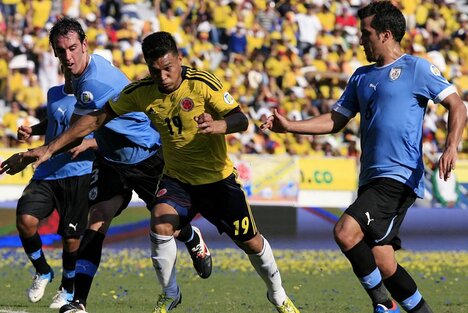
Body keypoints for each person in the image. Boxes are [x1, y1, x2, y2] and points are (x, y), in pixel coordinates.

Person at [14, 31, 300, 313]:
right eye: (155, 70)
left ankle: (277, 294)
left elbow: (241, 118)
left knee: (250, 241)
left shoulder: (198, 84)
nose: (162, 77)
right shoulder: (139, 91)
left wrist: (221, 125)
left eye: (168, 69)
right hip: (154, 172)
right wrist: (47, 144)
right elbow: (93, 118)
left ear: (179, 59)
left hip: (189, 172)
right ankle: (134, 297)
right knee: (138, 222)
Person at [261, 2, 467, 313]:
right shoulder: (361, 76)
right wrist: (290, 126)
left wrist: (451, 146)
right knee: (384, 262)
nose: (360, 39)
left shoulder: (417, 68)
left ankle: (383, 304)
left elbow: (457, 105)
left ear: (386, 34)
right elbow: (335, 120)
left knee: (345, 231)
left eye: (366, 33)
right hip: (371, 178)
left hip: (398, 177)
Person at [0, 18, 212, 313]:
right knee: (97, 218)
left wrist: (40, 151)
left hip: (145, 156)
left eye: (73, 48)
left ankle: (191, 236)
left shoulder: (95, 81)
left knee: (168, 225)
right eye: (61, 51)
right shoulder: (77, 76)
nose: (68, 56)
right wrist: (39, 136)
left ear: (85, 45)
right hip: (112, 160)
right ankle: (79, 302)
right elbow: (73, 124)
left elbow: (79, 128)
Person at [12, 68, 95, 309]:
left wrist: (91, 143)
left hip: (78, 174)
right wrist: (33, 130)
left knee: (71, 240)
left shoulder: (92, 98)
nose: (71, 77)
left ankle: (68, 288)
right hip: (46, 171)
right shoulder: (53, 93)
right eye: (67, 73)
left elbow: (102, 128)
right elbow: (54, 121)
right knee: (25, 220)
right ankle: (43, 271)